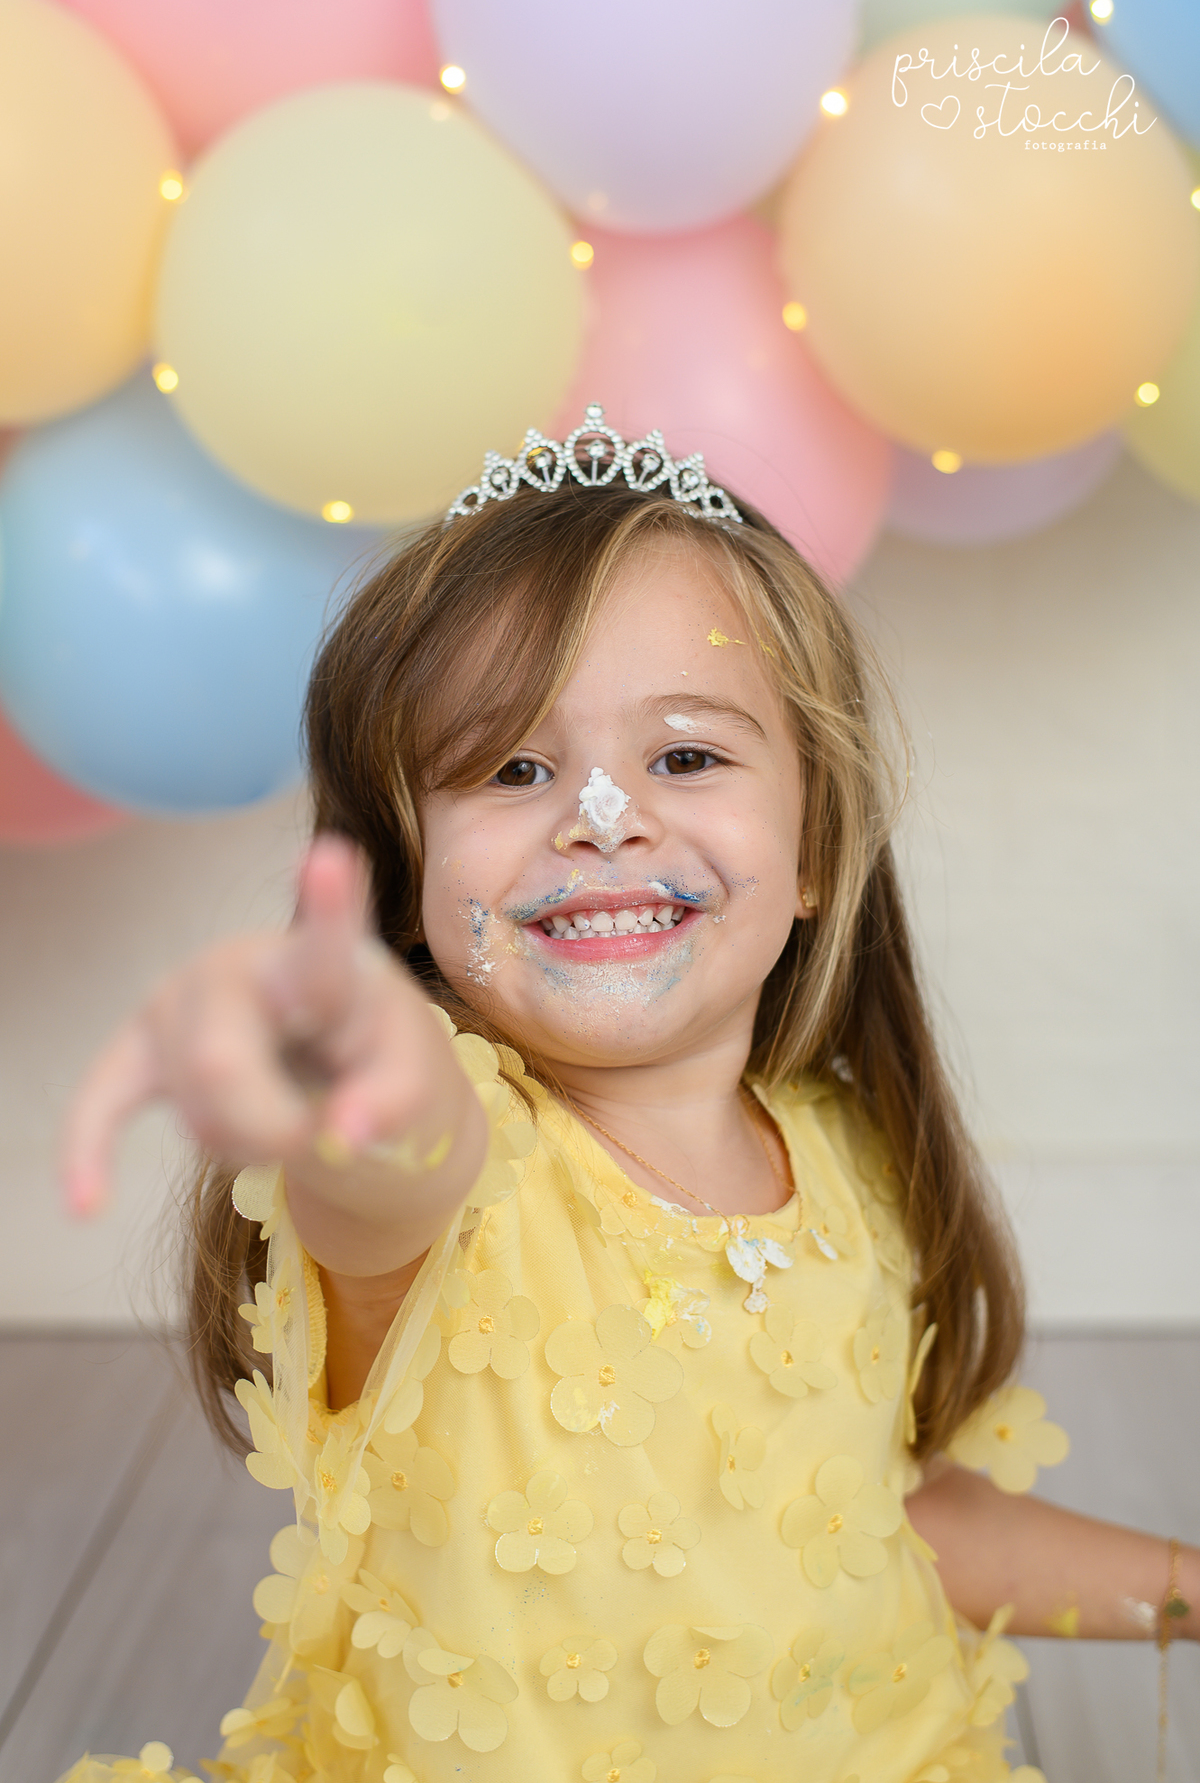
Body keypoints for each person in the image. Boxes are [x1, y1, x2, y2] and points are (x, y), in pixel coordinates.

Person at [58, 411, 1195, 1783]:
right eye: (513, 769)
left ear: (818, 841)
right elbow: (382, 1170)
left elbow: (879, 1522)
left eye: (687, 757)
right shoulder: (449, 1186)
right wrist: (347, 1066)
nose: (603, 816)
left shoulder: (849, 1150)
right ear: (407, 880)